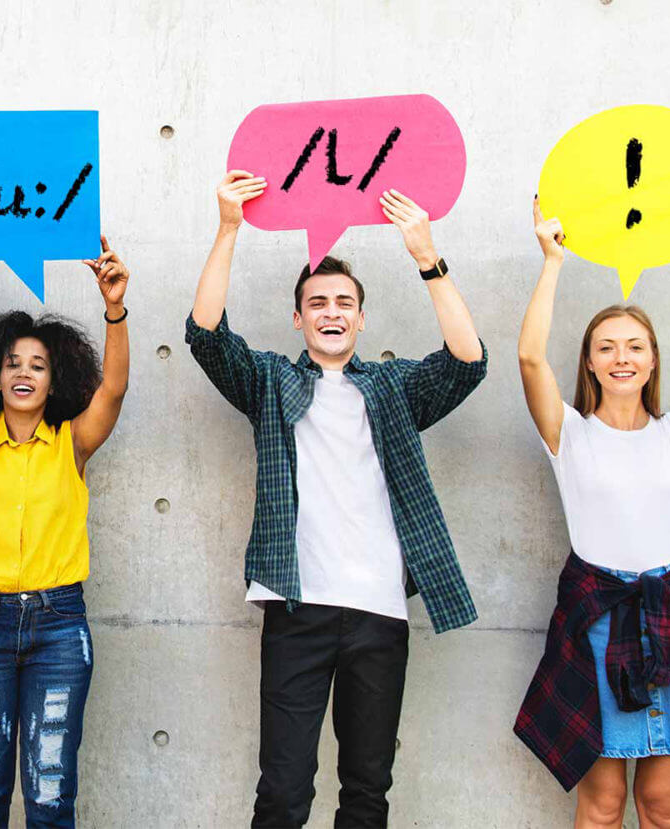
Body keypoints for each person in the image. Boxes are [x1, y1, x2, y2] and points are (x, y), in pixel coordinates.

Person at [186, 171, 488, 828]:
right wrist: (229, 227)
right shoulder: (270, 382)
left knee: (367, 790)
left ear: (360, 316)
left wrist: (426, 257)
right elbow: (205, 335)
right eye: (317, 301)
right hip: (299, 607)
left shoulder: (392, 388)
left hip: (379, 612)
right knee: (284, 790)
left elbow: (468, 361)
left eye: (343, 301)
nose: (330, 311)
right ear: (298, 317)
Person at [514, 199, 670, 828]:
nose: (621, 357)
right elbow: (530, 360)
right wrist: (552, 261)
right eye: (606, 347)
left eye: (635, 347)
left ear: (651, 360)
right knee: (601, 806)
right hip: (594, 624)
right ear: (590, 361)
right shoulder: (567, 433)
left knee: (663, 804)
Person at [0, 233, 130, 827]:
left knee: (49, 798)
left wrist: (114, 308)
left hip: (59, 628)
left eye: (38, 366)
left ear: (55, 381)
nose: (24, 373)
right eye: (12, 364)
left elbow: (114, 390)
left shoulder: (72, 444)